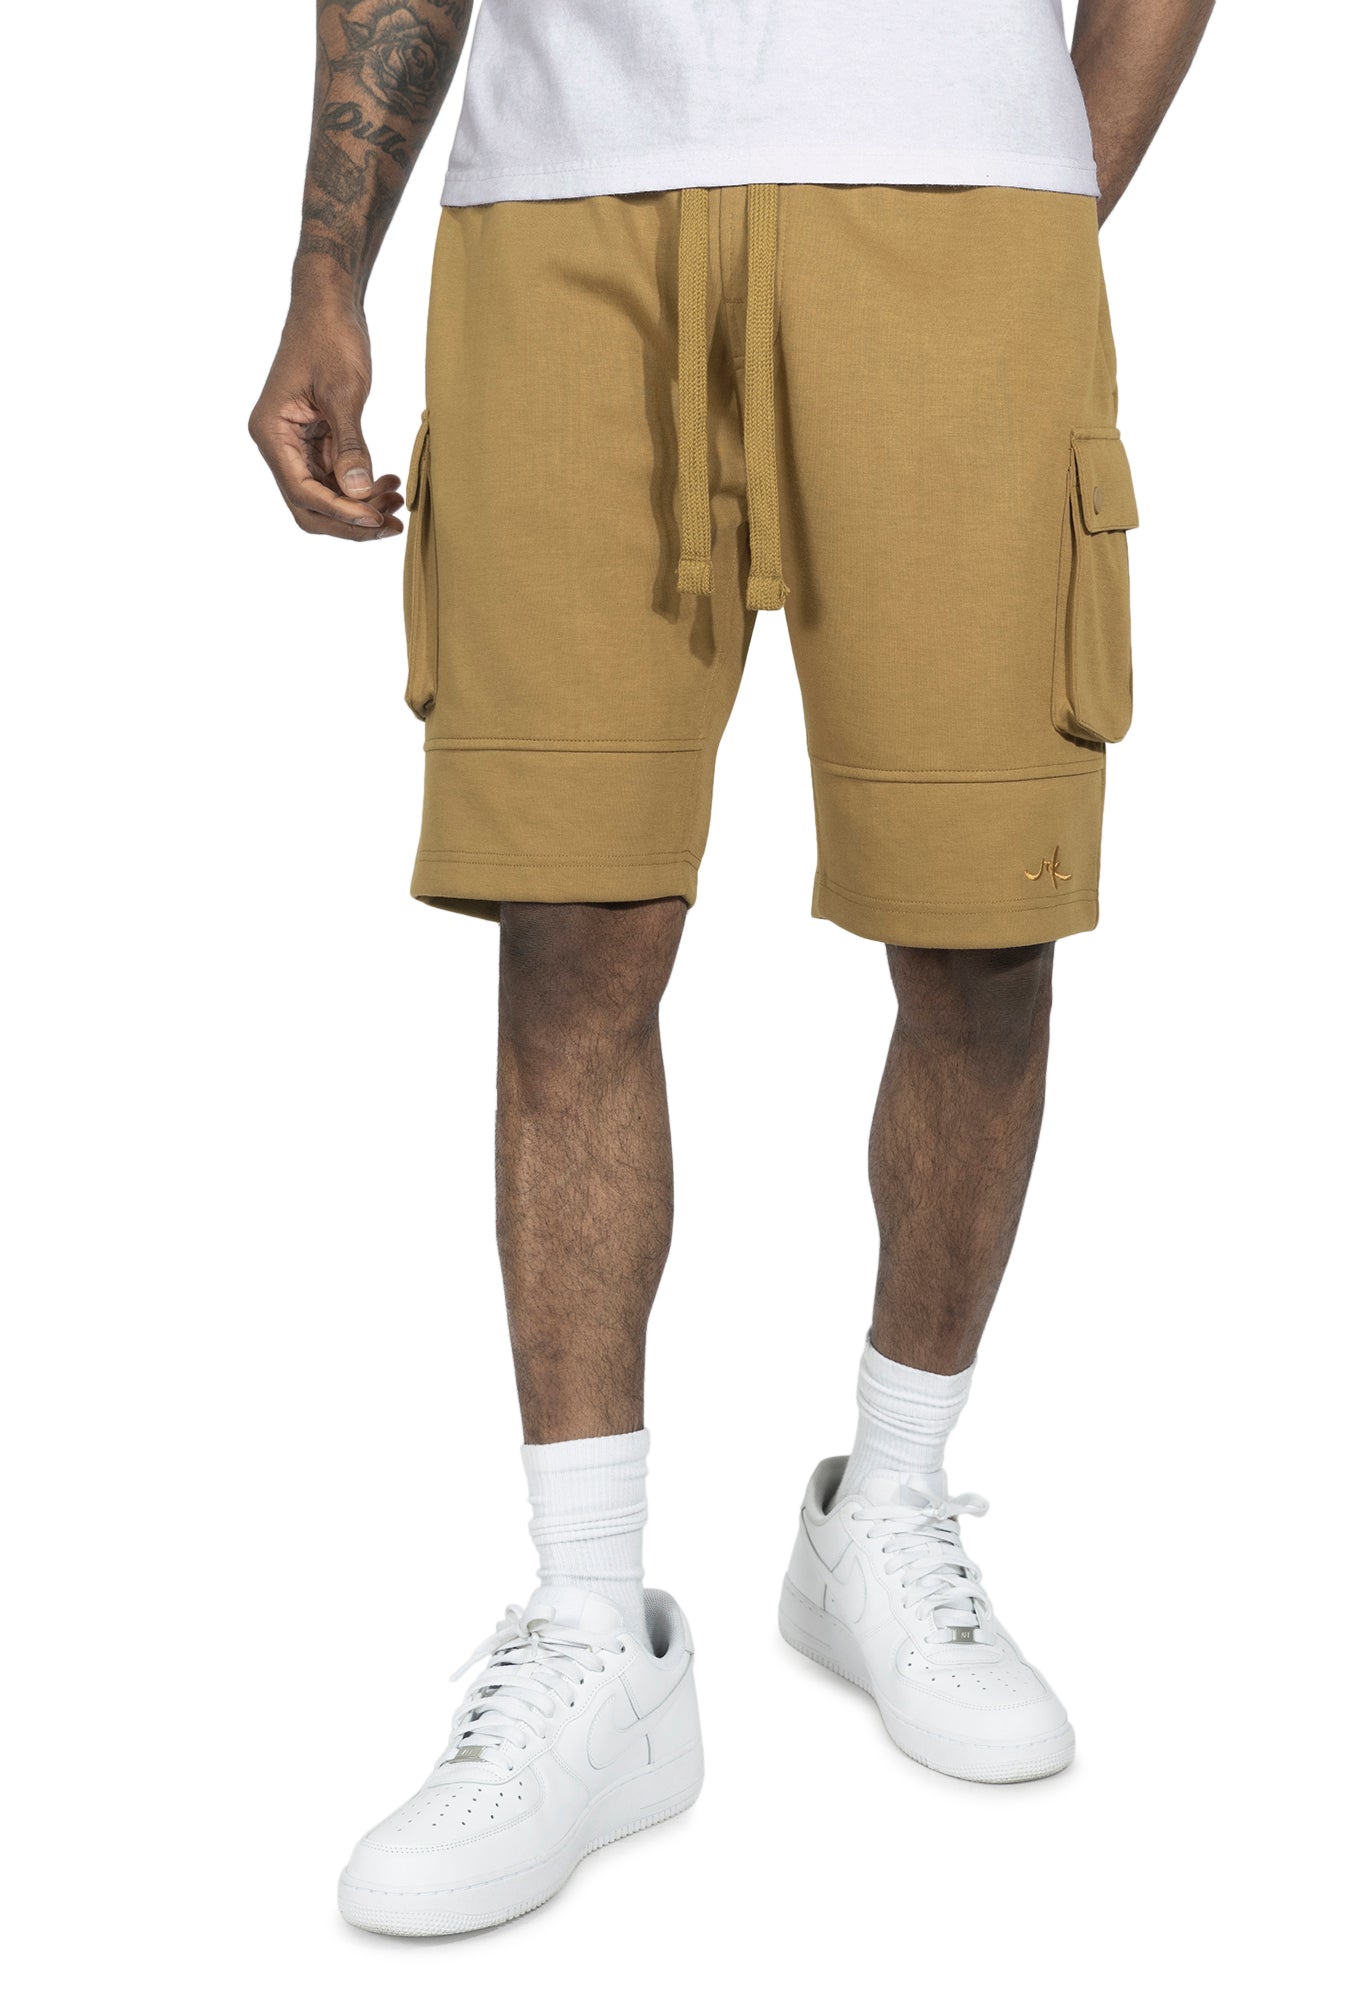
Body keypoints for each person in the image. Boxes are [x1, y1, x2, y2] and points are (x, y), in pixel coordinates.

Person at [251, 0, 1214, 1938]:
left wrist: (1034, 193)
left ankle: (891, 1508)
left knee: (981, 925)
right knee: (569, 927)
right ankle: (591, 1626)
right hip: (564, 217)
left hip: (962, 214)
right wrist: (324, 267)